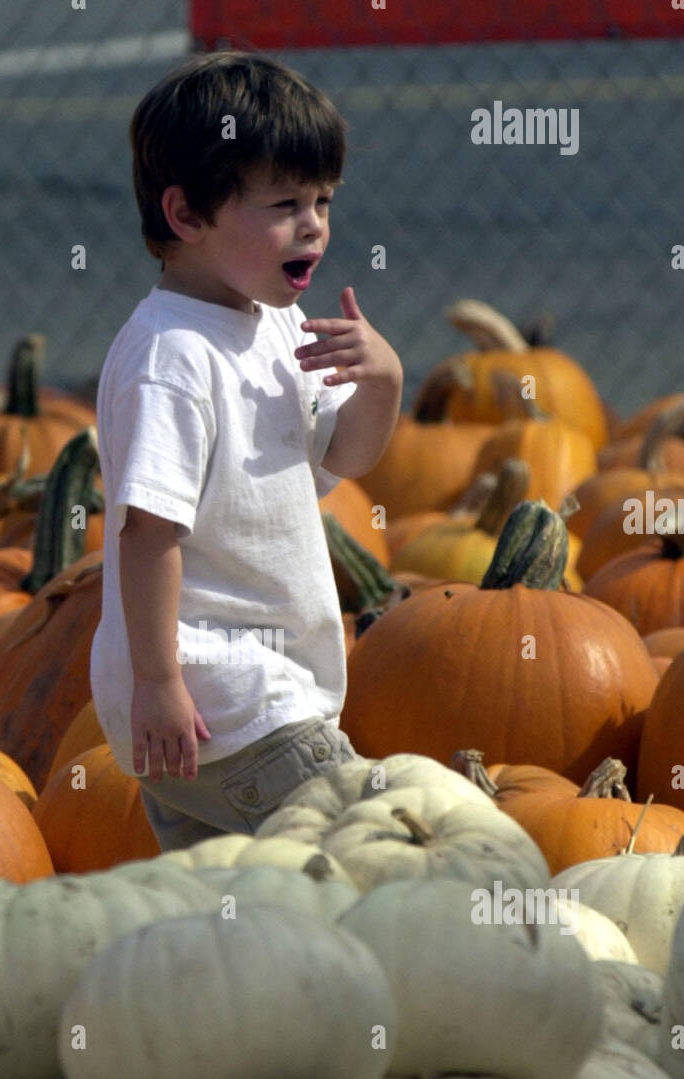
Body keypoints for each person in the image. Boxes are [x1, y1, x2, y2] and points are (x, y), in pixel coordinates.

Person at [89, 50, 403, 851]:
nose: (314, 226)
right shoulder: (172, 356)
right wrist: (158, 684)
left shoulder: (274, 324)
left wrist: (383, 383)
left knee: (238, 918)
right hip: (223, 698)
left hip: (231, 705)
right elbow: (147, 532)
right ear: (186, 214)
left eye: (323, 201)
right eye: (285, 203)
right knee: (374, 845)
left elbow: (346, 459)